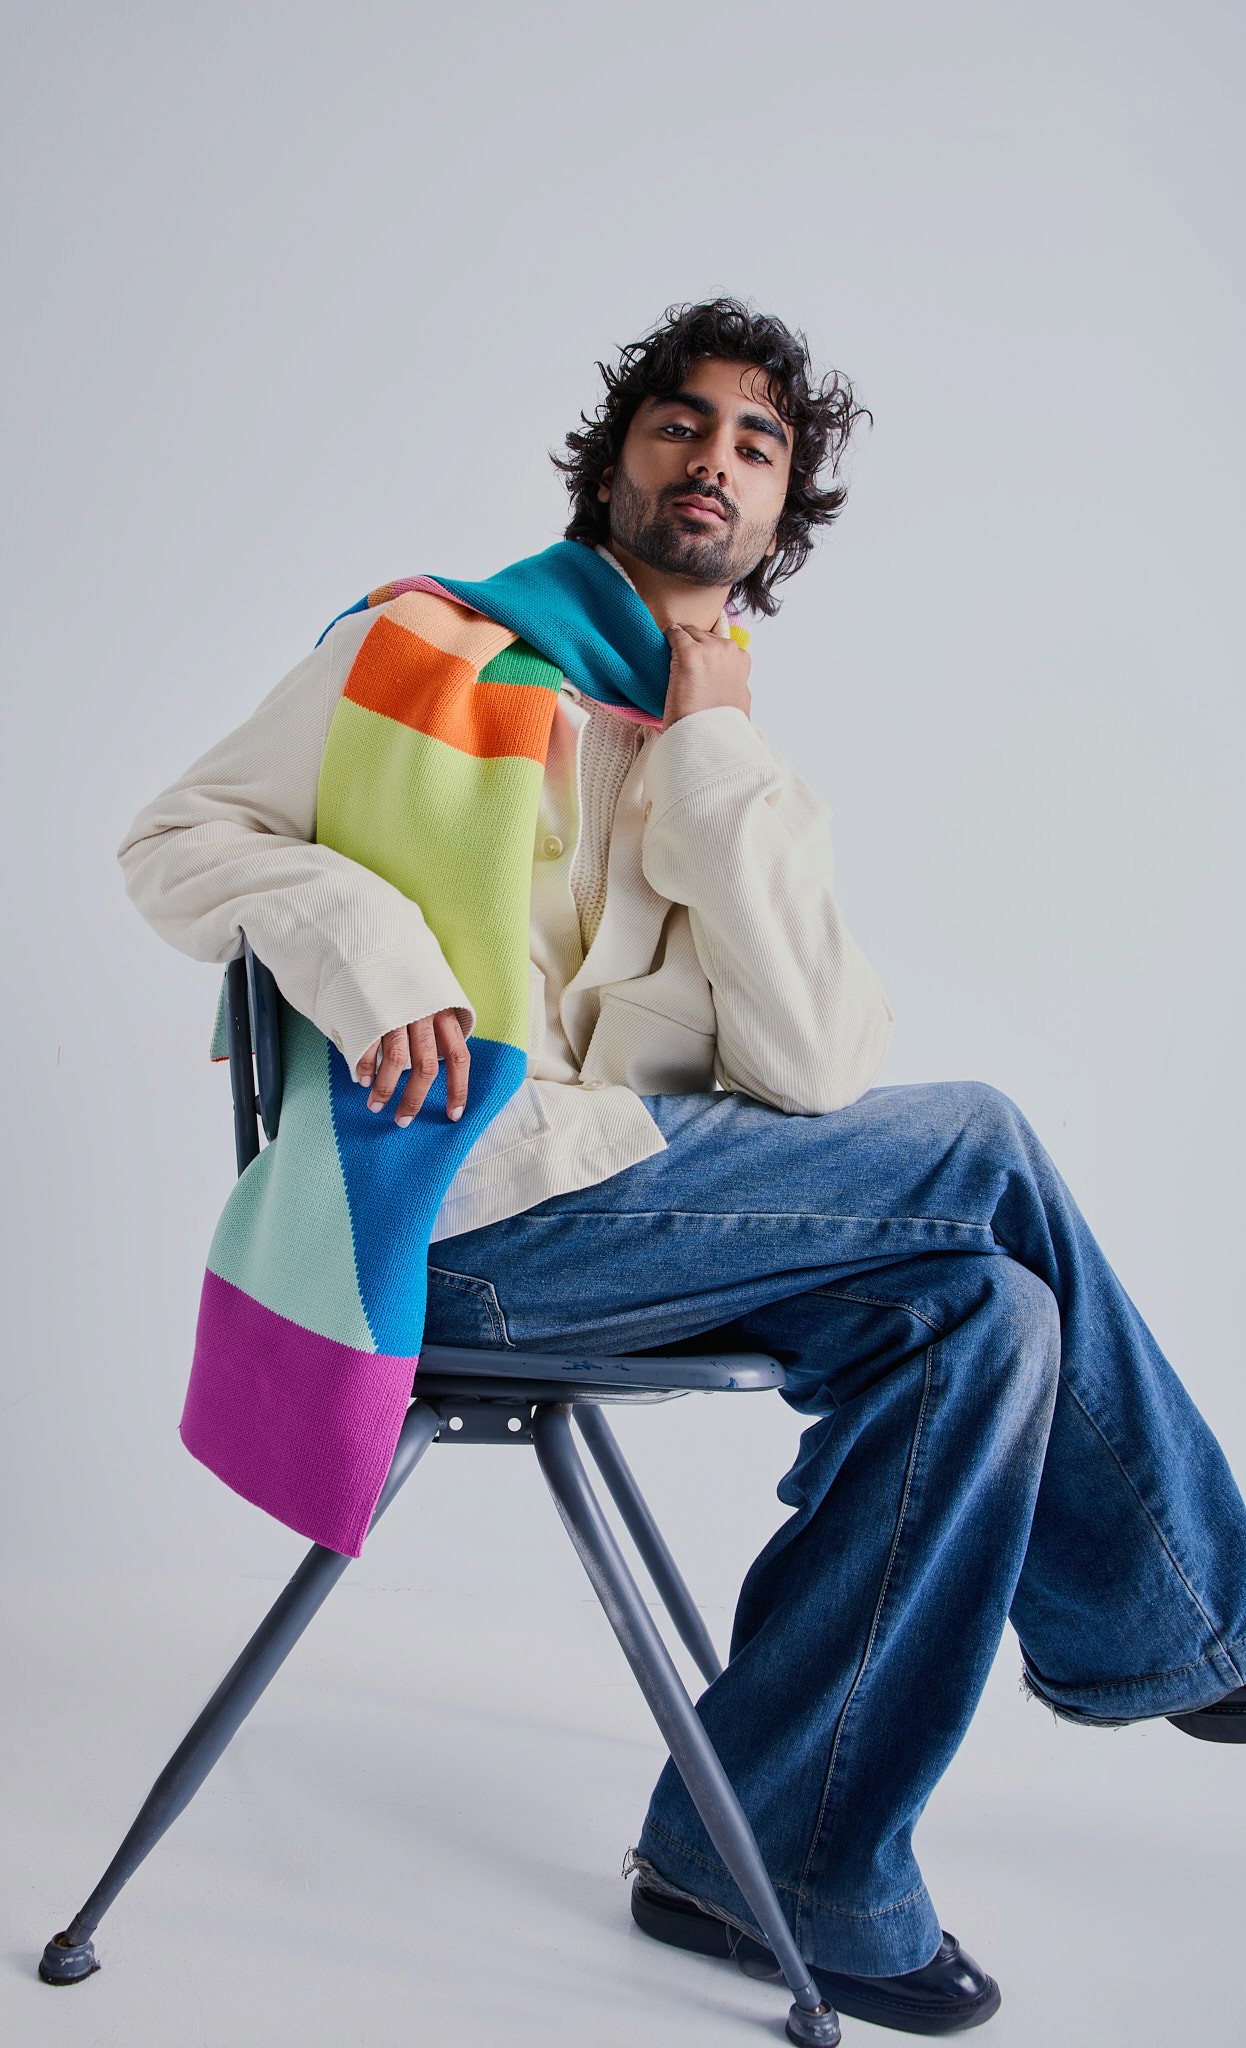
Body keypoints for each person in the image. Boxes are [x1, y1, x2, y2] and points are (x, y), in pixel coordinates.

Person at [118, 298, 1246, 2037]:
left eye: (756, 444)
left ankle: (771, 1859)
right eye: (679, 423)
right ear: (614, 458)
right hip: (451, 1212)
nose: (711, 459)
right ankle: (1196, 1636)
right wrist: (376, 958)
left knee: (991, 1315)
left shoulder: (724, 752)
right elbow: (181, 831)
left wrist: (717, 759)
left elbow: (810, 1074)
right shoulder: (418, 650)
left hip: (639, 1208)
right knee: (988, 1142)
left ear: (783, 517)